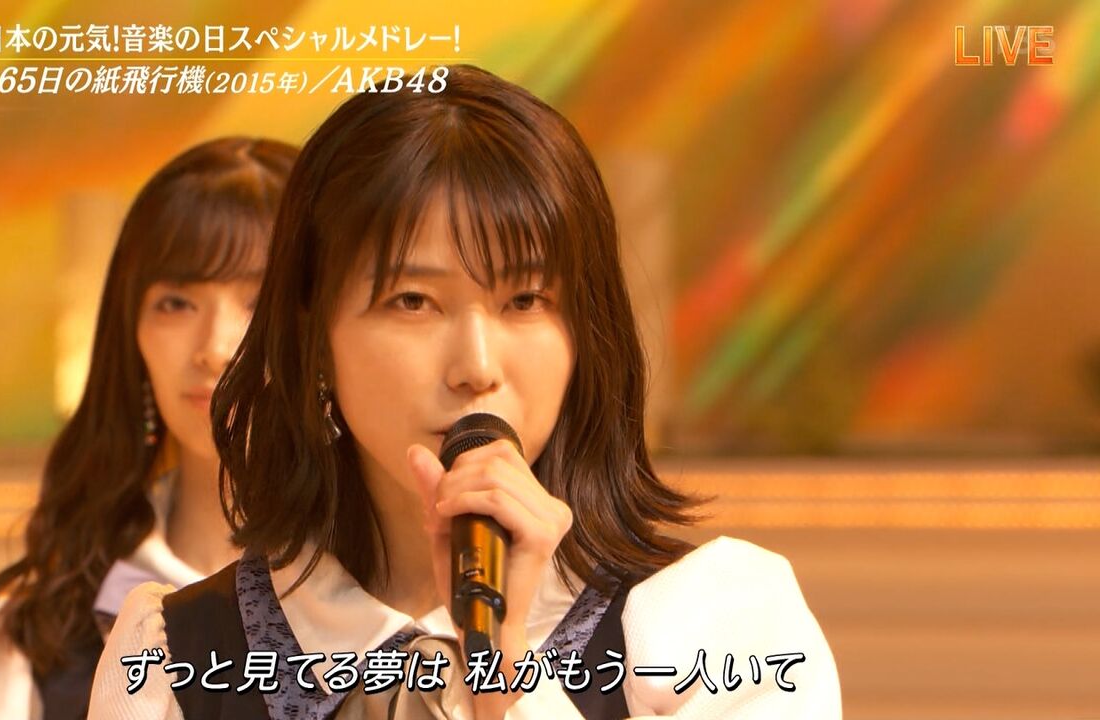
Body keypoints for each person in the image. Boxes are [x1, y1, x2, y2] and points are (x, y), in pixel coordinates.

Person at [89, 66, 841, 719]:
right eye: (414, 301)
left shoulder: (717, 624)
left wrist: (506, 683)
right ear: (313, 339)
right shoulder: (177, 654)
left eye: (526, 301)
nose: (476, 366)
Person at [0, 137, 299, 720]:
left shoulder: (397, 600)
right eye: (176, 303)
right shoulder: (27, 632)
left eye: (259, 303)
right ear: (131, 333)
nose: (214, 348)